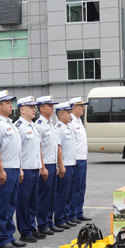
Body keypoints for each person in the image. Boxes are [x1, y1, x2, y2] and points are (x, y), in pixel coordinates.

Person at [0, 90, 25, 248]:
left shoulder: (9, 123)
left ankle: (10, 235)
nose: (11, 106)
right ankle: (2, 238)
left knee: (11, 204)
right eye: (7, 103)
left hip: (13, 168)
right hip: (4, 170)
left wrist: (19, 168)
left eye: (11, 103)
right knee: (2, 205)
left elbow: (15, 150)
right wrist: (0, 170)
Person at [15, 96, 44, 243]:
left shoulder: (33, 126)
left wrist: (40, 166)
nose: (34, 109)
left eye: (34, 107)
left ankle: (32, 227)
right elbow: (17, 150)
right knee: (23, 202)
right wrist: (19, 168)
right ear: (22, 109)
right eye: (30, 107)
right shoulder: (19, 127)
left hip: (34, 168)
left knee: (33, 201)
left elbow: (37, 149)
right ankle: (24, 231)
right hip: (25, 169)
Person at [34, 95, 58, 236]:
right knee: (44, 196)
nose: (52, 108)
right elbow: (39, 148)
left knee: (51, 195)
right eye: (49, 106)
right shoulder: (39, 125)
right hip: (45, 164)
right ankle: (42, 224)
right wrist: (42, 167)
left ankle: (49, 221)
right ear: (42, 108)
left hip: (53, 163)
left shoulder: (51, 124)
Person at [53, 102, 77, 230]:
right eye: (68, 112)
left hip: (72, 164)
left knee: (69, 193)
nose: (70, 115)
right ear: (60, 114)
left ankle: (66, 216)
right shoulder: (58, 128)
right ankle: (59, 218)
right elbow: (58, 147)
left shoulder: (68, 127)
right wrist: (61, 165)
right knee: (62, 194)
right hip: (65, 165)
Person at [69, 97, 91, 223]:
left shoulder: (79, 121)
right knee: (75, 188)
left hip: (83, 158)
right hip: (76, 159)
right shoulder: (71, 122)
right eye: (80, 106)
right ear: (73, 107)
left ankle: (79, 212)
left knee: (81, 188)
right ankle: (72, 214)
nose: (83, 108)